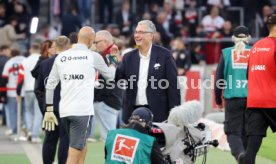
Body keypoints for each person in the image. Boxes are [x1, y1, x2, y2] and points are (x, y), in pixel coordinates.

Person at [43, 26, 116, 164]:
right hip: (81, 111)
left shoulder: (62, 56)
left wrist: (49, 109)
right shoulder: (93, 56)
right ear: (90, 41)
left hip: (64, 110)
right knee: (73, 151)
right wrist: (113, 62)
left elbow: (50, 84)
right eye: (93, 41)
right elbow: (110, 77)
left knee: (81, 146)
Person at [115, 20, 180, 123]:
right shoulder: (128, 57)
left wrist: (175, 114)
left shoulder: (165, 55)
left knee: (156, 139)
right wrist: (113, 62)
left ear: (151, 35)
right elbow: (117, 78)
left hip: (158, 112)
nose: (137, 35)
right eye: (136, 32)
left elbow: (173, 86)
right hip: (133, 112)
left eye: (141, 32)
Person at [240, 14, 276, 164]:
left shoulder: (256, 47)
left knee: (252, 148)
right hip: (272, 100)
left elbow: (248, 74)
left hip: (254, 101)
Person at [214, 26, 251, 161]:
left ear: (233, 38)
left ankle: (241, 155)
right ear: (249, 38)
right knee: (247, 132)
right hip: (252, 99)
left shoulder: (226, 53)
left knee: (233, 132)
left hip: (233, 98)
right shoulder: (255, 52)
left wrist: (218, 100)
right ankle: (246, 157)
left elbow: (219, 80)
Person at [35, 36, 70, 164]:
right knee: (65, 140)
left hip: (50, 107)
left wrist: (45, 108)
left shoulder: (45, 64)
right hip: (67, 107)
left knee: (50, 139)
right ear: (68, 46)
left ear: (55, 45)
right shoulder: (71, 63)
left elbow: (38, 89)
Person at [89, 30, 122, 141]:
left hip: (107, 100)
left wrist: (98, 98)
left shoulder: (112, 53)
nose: (96, 45)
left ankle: (113, 159)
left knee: (109, 138)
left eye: (97, 42)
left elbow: (110, 79)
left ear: (106, 41)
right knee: (108, 137)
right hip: (107, 99)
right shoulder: (108, 54)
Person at [17, 42, 42, 143]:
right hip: (39, 90)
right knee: (38, 113)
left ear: (30, 50)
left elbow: (20, 78)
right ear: (39, 49)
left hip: (27, 90)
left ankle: (30, 131)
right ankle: (35, 135)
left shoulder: (24, 61)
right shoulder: (43, 60)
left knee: (28, 112)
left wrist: (18, 92)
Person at [0, 49, 24, 135]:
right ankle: (26, 129)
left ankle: (14, 129)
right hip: (24, 90)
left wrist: (2, 94)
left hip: (12, 90)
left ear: (11, 54)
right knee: (25, 111)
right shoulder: (25, 60)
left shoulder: (9, 62)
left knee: (13, 112)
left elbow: (4, 78)